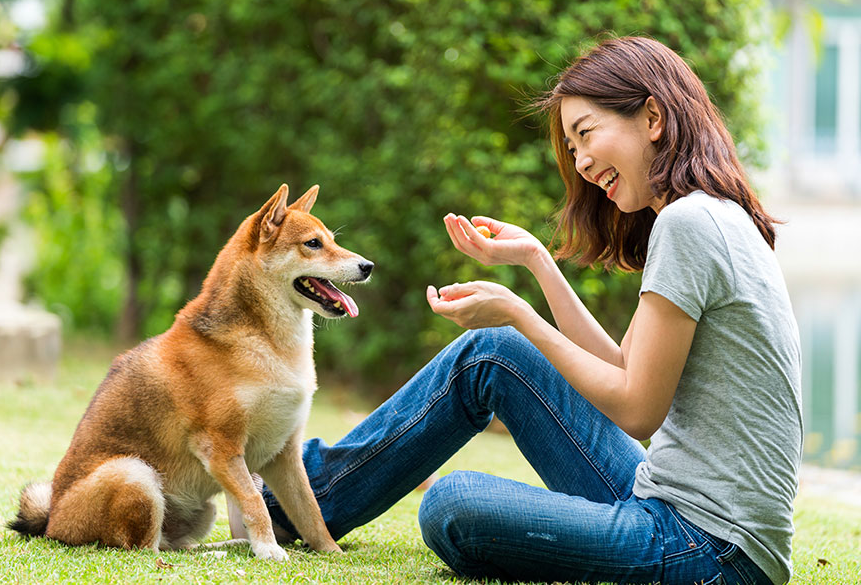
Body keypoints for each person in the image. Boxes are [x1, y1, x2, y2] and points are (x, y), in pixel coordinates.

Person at [246, 36, 802, 585]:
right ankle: (289, 505)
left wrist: (518, 314)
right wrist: (536, 261)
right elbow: (620, 365)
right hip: (679, 513)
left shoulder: (688, 226)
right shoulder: (708, 216)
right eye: (572, 146)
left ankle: (286, 503)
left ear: (653, 116)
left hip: (709, 549)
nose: (581, 163)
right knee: (492, 355)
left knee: (452, 504)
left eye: (586, 134)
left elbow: (636, 411)